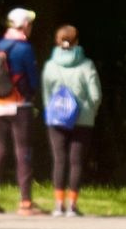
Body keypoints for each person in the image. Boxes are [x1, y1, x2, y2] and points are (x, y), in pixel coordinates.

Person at [0, 8, 41, 214]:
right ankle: (25, 202)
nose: (31, 28)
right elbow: (32, 79)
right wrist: (32, 94)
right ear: (24, 26)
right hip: (19, 105)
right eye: (29, 24)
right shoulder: (25, 48)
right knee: (22, 150)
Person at [41, 23, 102, 216]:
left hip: (57, 119)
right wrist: (91, 111)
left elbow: (46, 94)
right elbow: (95, 95)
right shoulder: (87, 65)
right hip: (83, 119)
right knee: (76, 162)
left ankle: (58, 205)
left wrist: (52, 111)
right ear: (77, 42)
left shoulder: (50, 66)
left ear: (57, 41)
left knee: (59, 160)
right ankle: (72, 206)